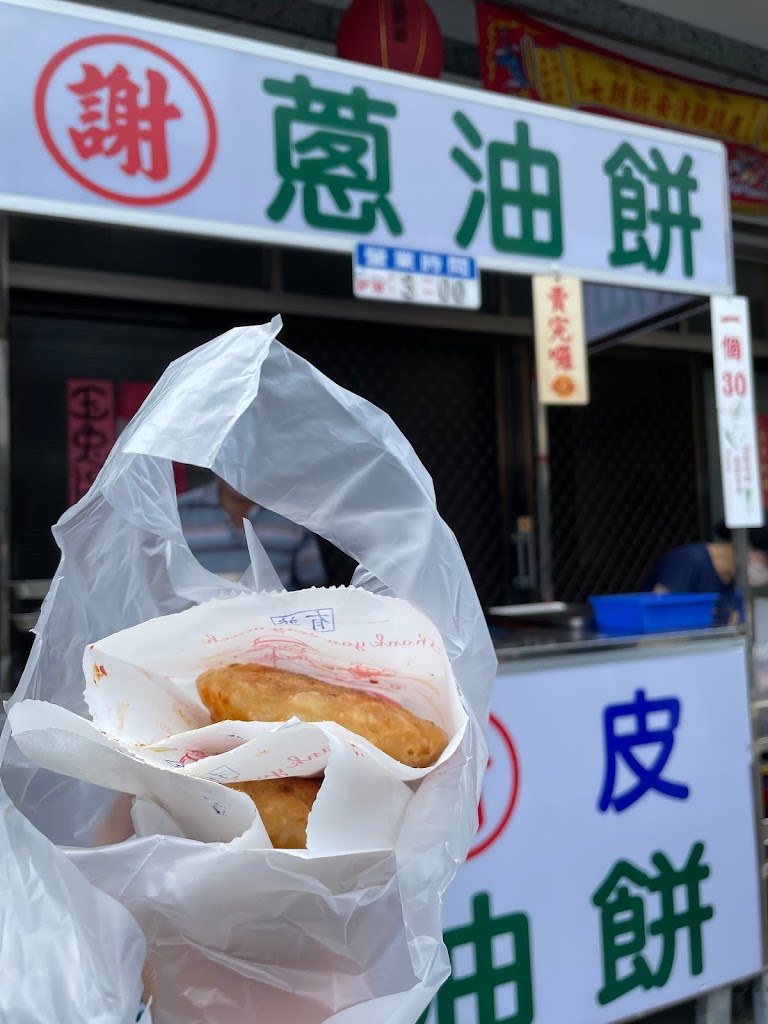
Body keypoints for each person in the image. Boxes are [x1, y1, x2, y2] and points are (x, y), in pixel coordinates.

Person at [177, 476, 327, 589]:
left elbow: (314, 588)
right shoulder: (178, 512)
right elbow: (161, 588)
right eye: (232, 459)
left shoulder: (291, 515)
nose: (238, 472)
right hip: (199, 626)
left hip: (277, 625)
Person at [645, 523, 768, 626]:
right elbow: (659, 616)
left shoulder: (735, 579)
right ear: (746, 549)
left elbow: (733, 627)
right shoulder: (689, 561)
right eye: (766, 562)